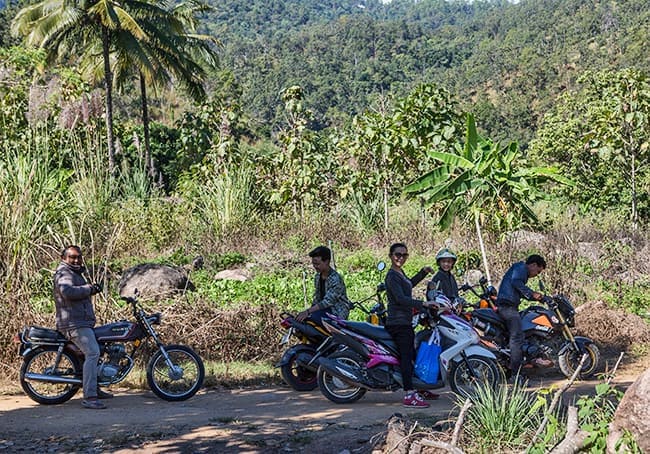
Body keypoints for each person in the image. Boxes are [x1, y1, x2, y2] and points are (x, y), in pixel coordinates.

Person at [54, 245, 110, 409]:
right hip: (73, 324)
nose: (76, 260)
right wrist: (89, 289)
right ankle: (90, 397)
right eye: (72, 257)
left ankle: (95, 388)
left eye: (79, 256)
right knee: (93, 352)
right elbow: (67, 291)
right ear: (64, 258)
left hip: (81, 322)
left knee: (97, 349)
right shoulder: (64, 272)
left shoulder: (75, 272)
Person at [384, 242, 437, 408]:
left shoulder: (400, 273)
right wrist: (424, 304)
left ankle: (419, 388)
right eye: (397, 254)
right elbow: (400, 298)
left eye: (404, 255)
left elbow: (408, 285)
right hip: (398, 323)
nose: (400, 257)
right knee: (406, 358)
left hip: (405, 321)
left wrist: (423, 273)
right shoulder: (392, 276)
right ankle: (409, 394)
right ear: (391, 256)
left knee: (413, 355)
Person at [496, 254, 548, 379]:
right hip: (507, 307)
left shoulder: (519, 271)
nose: (536, 275)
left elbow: (520, 289)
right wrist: (533, 294)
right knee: (517, 338)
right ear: (534, 265)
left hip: (509, 306)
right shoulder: (521, 268)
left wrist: (538, 298)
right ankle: (516, 374)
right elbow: (516, 283)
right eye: (538, 271)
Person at [296, 246, 351, 324]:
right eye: (313, 264)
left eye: (317, 264)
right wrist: (308, 312)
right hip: (323, 310)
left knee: (312, 318)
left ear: (327, 262)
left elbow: (327, 302)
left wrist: (308, 312)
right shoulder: (318, 277)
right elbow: (317, 298)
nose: (315, 266)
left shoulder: (335, 279)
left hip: (336, 313)